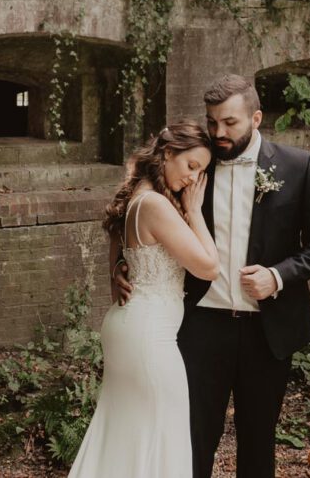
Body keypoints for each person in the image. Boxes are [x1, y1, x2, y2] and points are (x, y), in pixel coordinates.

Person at [114, 74, 310, 478]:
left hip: (267, 331)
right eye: (212, 121)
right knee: (192, 439)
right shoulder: (197, 161)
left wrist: (278, 275)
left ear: (255, 118)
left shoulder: (297, 166)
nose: (219, 132)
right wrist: (121, 265)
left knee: (258, 442)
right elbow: (132, 203)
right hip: (200, 325)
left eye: (229, 123)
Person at [68, 121, 219, 478]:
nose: (193, 179)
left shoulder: (139, 192)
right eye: (191, 166)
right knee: (160, 441)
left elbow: (116, 247)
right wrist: (195, 211)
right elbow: (209, 267)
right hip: (149, 339)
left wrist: (116, 269)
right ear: (168, 153)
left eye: (201, 171)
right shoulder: (154, 204)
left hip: (131, 328)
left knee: (125, 439)